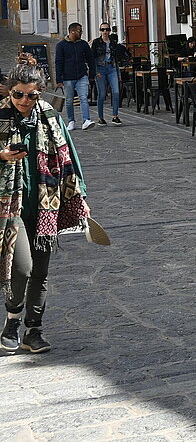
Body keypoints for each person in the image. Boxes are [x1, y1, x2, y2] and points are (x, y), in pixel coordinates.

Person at [0, 61, 91, 355]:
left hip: (45, 204)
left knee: (41, 271)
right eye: (18, 94)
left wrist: (80, 195)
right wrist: (2, 155)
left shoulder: (50, 117)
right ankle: (13, 320)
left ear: (40, 93)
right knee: (22, 268)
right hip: (9, 207)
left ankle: (33, 331)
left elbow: (69, 156)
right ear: (9, 91)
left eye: (32, 95)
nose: (24, 101)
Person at [54, 23, 95, 131]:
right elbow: (58, 62)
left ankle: (86, 120)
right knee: (69, 100)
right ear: (72, 32)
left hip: (82, 75)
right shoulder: (61, 45)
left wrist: (92, 74)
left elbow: (90, 59)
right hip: (67, 77)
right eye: (79, 31)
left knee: (83, 98)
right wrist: (59, 79)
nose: (81, 33)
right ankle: (71, 121)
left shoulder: (83, 44)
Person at [90, 23, 127, 126]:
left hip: (112, 68)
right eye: (103, 30)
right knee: (102, 94)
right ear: (100, 31)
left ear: (110, 31)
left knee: (116, 92)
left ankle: (115, 116)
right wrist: (95, 71)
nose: (105, 32)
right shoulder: (96, 42)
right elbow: (92, 58)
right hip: (100, 68)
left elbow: (119, 55)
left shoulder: (113, 42)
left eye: (107, 29)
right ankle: (100, 117)